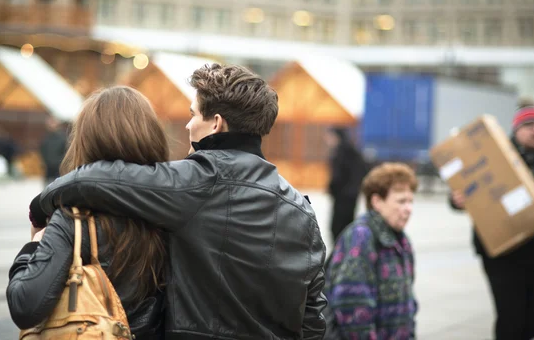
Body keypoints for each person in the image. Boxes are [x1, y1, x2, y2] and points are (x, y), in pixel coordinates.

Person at [29, 63, 328, 340]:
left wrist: (40, 208)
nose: (187, 125)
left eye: (194, 114)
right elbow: (313, 316)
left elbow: (93, 180)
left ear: (216, 124)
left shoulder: (195, 182)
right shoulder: (301, 209)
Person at [7, 86, 168, 339]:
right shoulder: (173, 210)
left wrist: (33, 247)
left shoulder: (75, 216)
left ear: (86, 140)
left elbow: (25, 305)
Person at [450, 106, 534, 340]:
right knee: (510, 316)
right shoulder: (492, 154)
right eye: (529, 126)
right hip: (500, 251)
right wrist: (457, 199)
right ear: (516, 129)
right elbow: (466, 184)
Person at [324, 162, 418, 340]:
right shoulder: (361, 237)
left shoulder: (401, 241)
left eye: (411, 201)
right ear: (377, 202)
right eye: (401, 201)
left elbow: (409, 305)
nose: (408, 209)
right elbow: (353, 309)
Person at [327, 127, 369, 241]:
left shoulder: (341, 153)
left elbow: (337, 176)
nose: (327, 140)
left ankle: (340, 253)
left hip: (343, 196)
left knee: (338, 227)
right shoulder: (353, 151)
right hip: (351, 195)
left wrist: (332, 188)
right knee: (347, 226)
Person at [39, 116, 68, 186]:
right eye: (49, 123)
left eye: (52, 122)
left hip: (59, 169)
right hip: (48, 169)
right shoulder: (46, 138)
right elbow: (42, 151)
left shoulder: (63, 138)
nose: (50, 125)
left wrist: (60, 162)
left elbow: (66, 152)